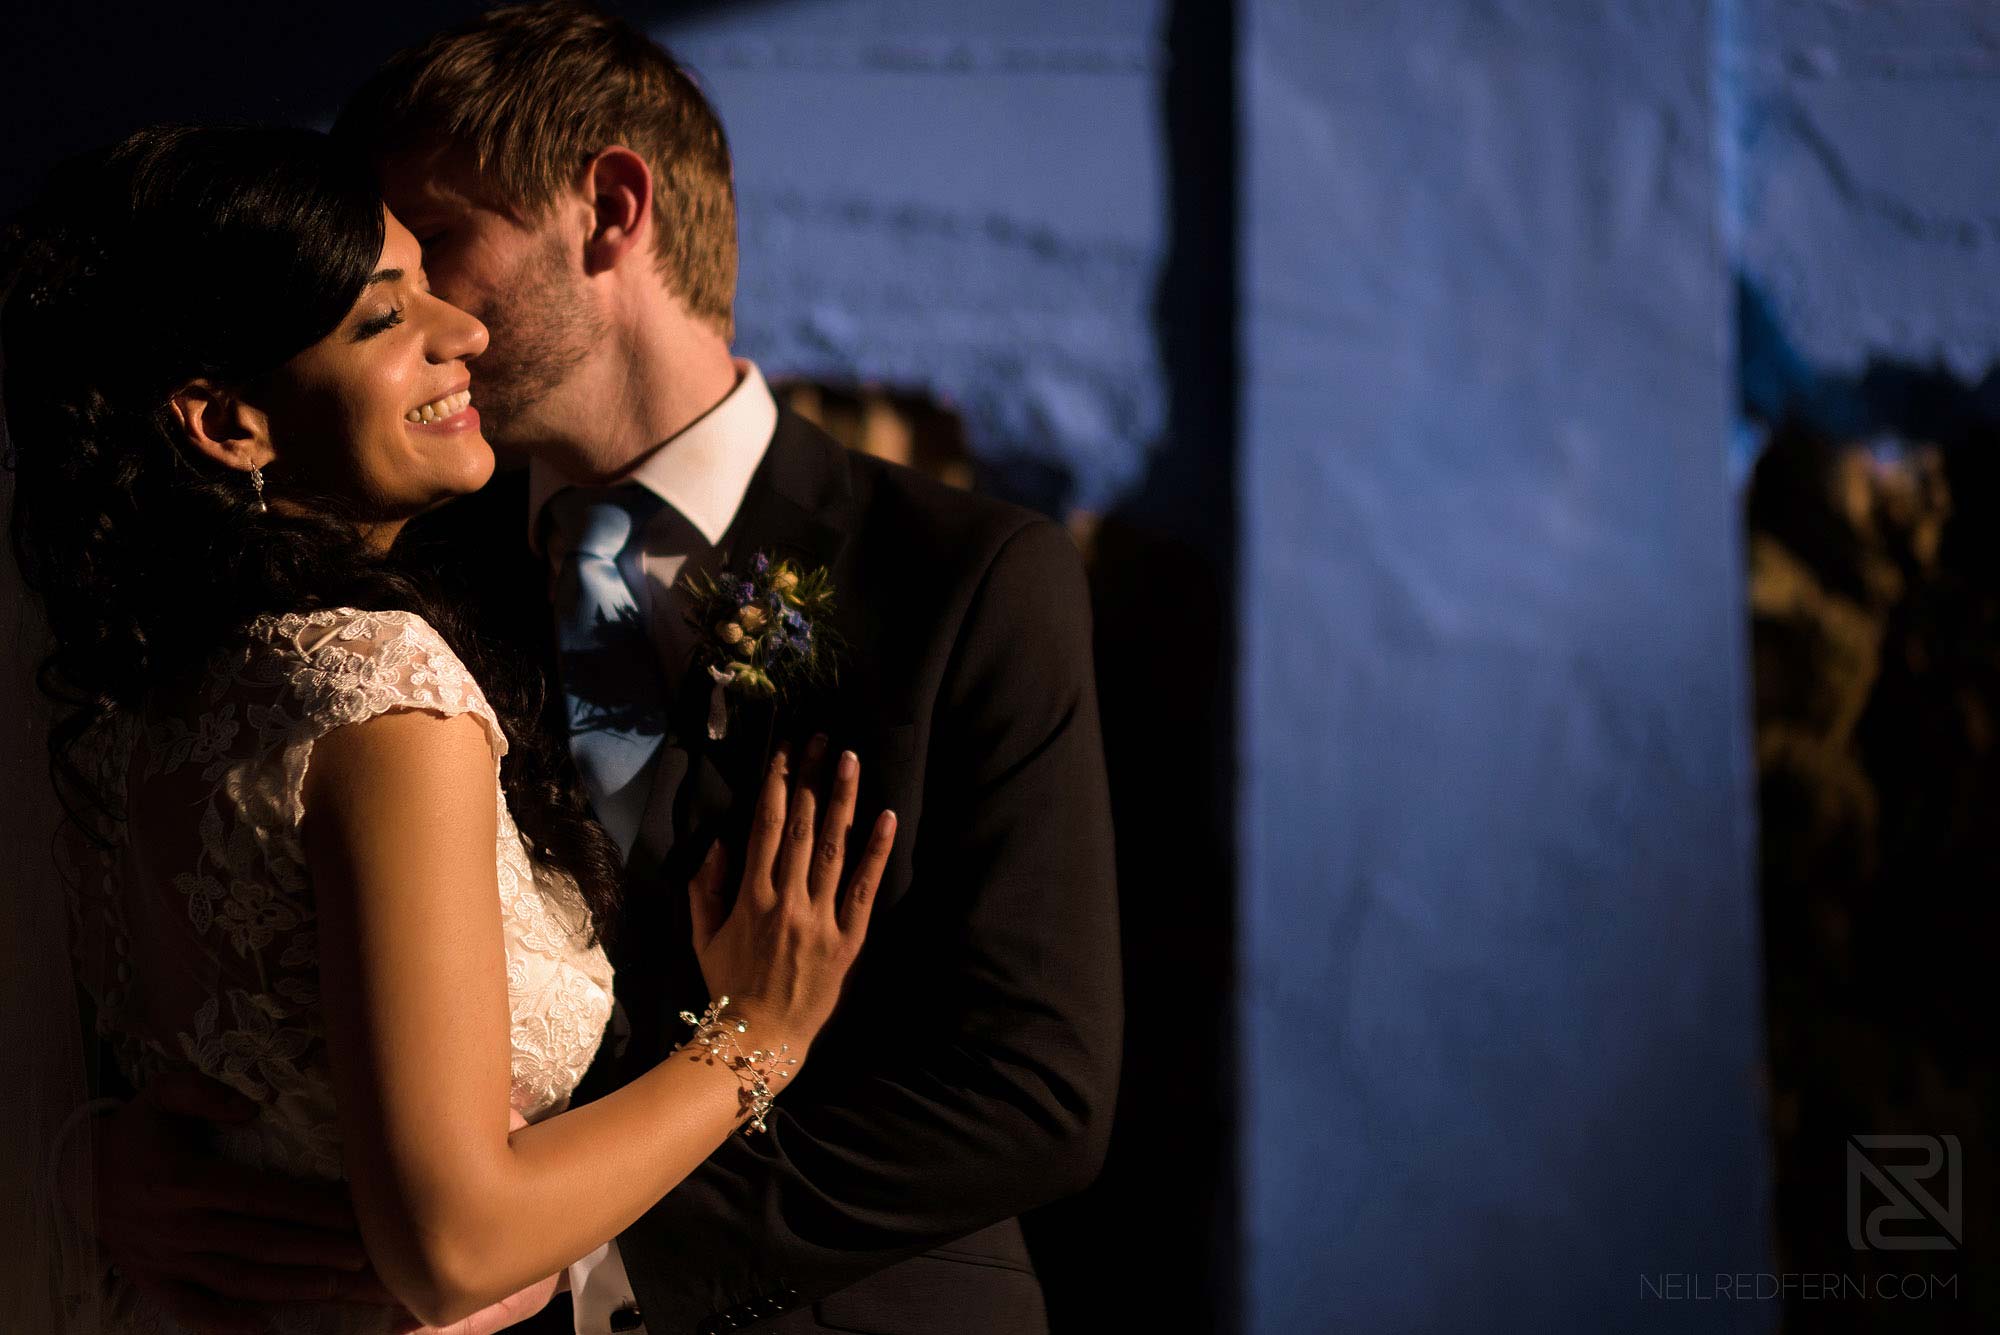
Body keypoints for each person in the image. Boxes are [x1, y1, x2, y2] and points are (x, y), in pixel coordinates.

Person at [88, 3, 1124, 1332]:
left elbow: (1034, 1085)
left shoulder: (964, 574)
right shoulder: (385, 565)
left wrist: (575, 1256)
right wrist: (107, 1151)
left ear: (613, 210)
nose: (435, 319)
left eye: (436, 245)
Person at [3, 122, 892, 1335]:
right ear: (226, 424)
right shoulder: (375, 682)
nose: (463, 330)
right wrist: (758, 1037)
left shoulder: (132, 687)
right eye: (384, 319)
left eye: (433, 280)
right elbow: (454, 1245)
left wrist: (84, 1160)